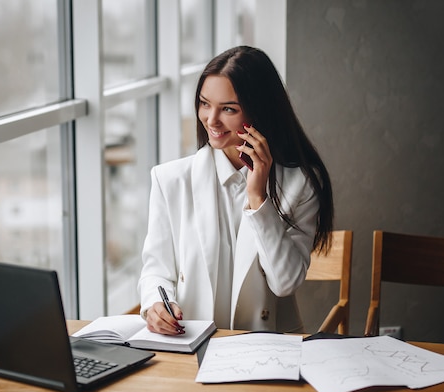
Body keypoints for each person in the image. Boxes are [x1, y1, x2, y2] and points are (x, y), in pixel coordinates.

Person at [138, 46, 334, 335]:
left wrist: (258, 199)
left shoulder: (300, 183)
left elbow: (285, 283)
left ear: (260, 110)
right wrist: (155, 304)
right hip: (190, 345)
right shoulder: (170, 180)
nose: (211, 120)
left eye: (228, 108)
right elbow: (156, 270)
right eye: (205, 104)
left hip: (267, 350)